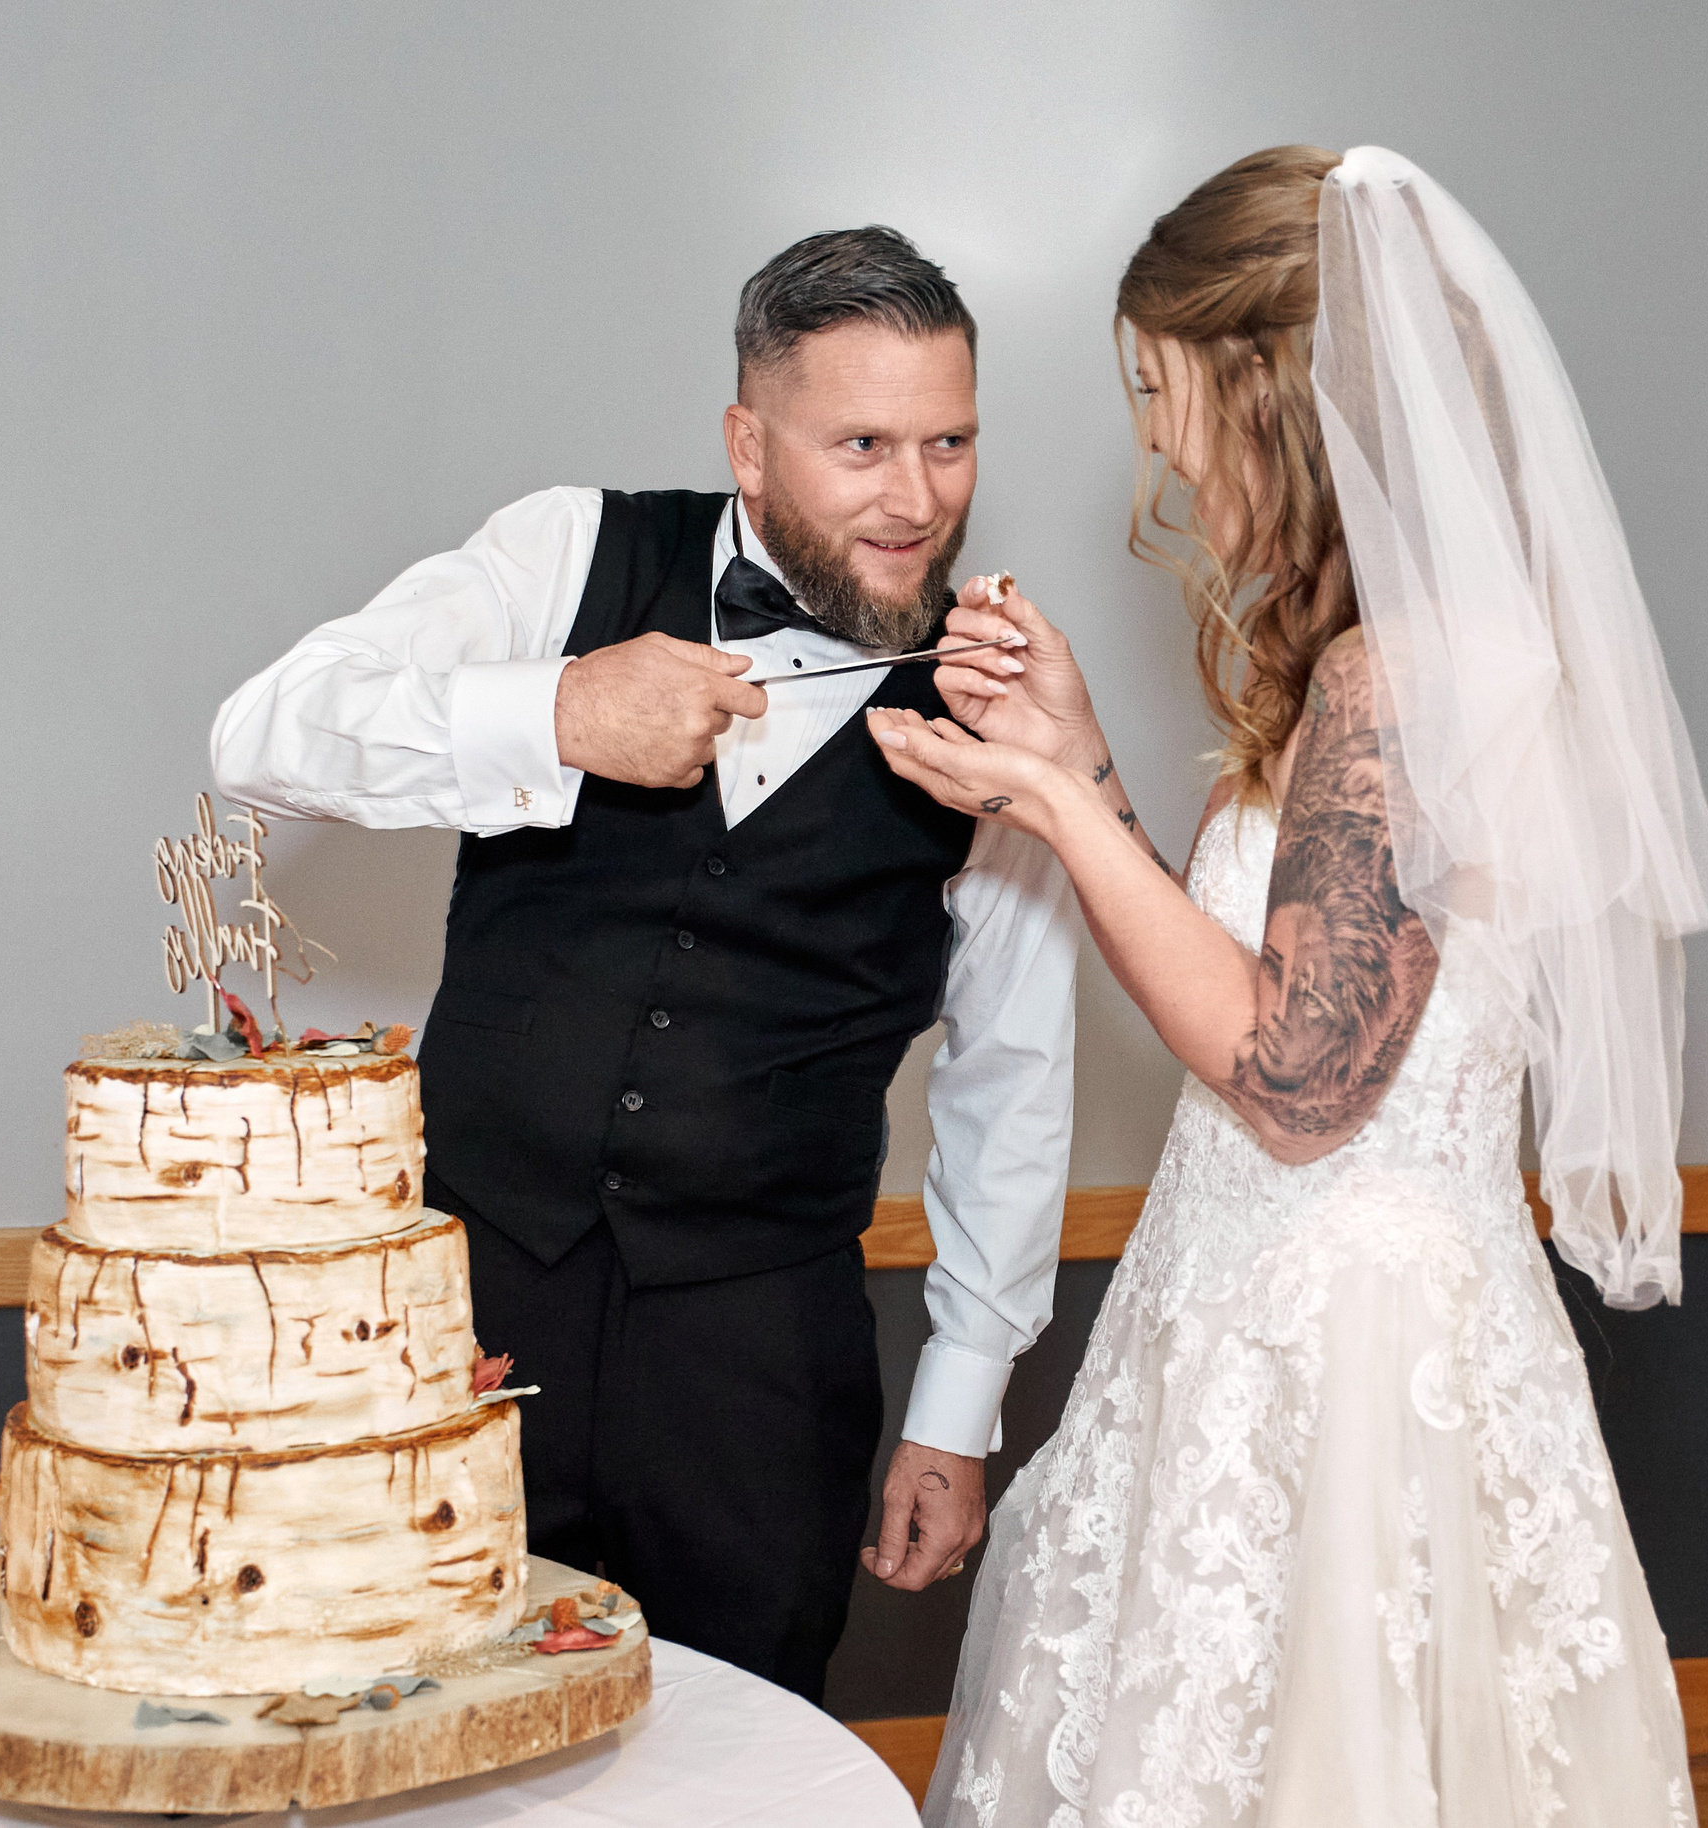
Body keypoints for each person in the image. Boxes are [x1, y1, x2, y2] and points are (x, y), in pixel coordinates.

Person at [870, 147, 1708, 1823]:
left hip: (1347, 1347)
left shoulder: (1398, 679)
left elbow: (1296, 1074)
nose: (1156, 443)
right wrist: (1085, 766)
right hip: (1272, 1290)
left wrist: (1040, 805)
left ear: (1266, 387)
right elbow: (1252, 979)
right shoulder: (1389, 656)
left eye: (1163, 388)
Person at [210, 227, 1081, 1703]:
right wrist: (549, 713)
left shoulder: (1004, 701)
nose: (916, 497)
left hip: (760, 1371)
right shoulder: (566, 552)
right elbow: (266, 736)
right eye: (861, 442)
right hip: (462, 1330)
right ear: (749, 442)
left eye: (950, 442)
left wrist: (959, 1405)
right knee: (416, 1753)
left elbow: (1015, 1071)